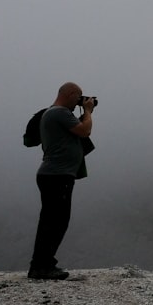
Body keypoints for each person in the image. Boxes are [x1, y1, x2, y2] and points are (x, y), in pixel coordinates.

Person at [28, 81, 95, 280]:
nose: (79, 102)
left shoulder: (55, 114)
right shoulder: (59, 113)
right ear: (70, 94)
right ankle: (41, 267)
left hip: (56, 175)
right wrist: (89, 111)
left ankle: (43, 264)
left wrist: (85, 114)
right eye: (78, 97)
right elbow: (84, 131)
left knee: (53, 221)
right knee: (54, 222)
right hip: (56, 175)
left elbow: (78, 130)